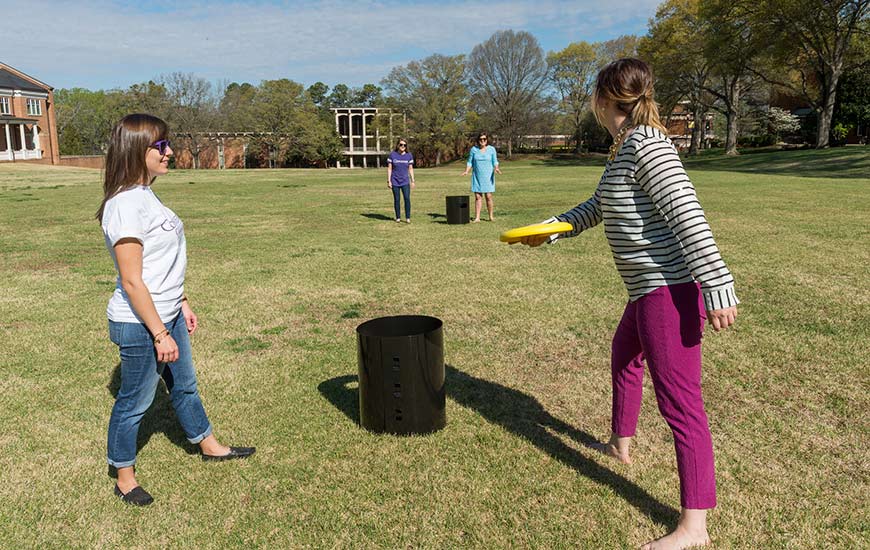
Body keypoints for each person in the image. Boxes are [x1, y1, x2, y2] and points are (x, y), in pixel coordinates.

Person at [518, 59, 738, 549]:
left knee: (682, 405)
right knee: (624, 356)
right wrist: (552, 229)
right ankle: (621, 442)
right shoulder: (624, 149)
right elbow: (598, 206)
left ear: (602, 99)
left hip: (669, 292)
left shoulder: (651, 148)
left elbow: (688, 216)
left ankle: (693, 527)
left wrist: (718, 286)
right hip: (643, 292)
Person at [97, 114, 255, 507]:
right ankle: (124, 476)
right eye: (161, 146)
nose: (170, 152)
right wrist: (159, 333)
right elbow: (132, 280)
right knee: (134, 401)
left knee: (184, 386)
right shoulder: (125, 204)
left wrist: (181, 302)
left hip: (166, 313)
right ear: (137, 150)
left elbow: (161, 263)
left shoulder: (146, 194)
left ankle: (209, 444)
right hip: (140, 323)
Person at [461, 132, 502, 222]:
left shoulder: (491, 149)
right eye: (481, 139)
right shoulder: (474, 150)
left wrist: (496, 168)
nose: (482, 141)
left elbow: (495, 161)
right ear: (478, 140)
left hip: (488, 177)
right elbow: (470, 162)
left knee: (488, 196)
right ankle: (477, 218)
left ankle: (491, 216)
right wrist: (467, 171)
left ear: (487, 140)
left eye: (484, 139)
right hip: (477, 176)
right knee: (478, 197)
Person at [387, 138, 415, 223]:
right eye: (401, 144)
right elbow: (389, 168)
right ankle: (398, 217)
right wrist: (389, 181)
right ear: (398, 145)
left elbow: (410, 169)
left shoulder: (409, 155)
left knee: (407, 198)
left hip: (405, 181)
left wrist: (413, 180)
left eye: (404, 145)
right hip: (395, 181)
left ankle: (407, 217)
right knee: (397, 199)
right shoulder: (392, 155)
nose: (403, 146)